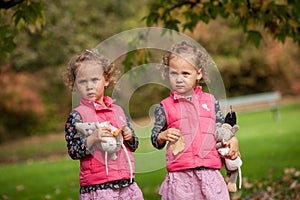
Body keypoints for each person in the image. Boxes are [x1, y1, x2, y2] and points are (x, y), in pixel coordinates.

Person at [151, 41, 240, 200]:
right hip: (180, 177)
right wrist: (162, 135)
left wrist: (233, 140)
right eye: (174, 73)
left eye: (185, 73)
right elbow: (155, 138)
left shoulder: (210, 101)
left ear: (198, 74)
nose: (179, 79)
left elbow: (221, 130)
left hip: (210, 174)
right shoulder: (164, 107)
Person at [64, 49, 143, 200]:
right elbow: (73, 151)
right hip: (98, 186)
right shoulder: (77, 116)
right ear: (75, 85)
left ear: (106, 80)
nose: (89, 86)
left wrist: (129, 136)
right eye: (82, 81)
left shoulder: (118, 111)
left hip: (127, 183)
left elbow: (134, 145)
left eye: (95, 80)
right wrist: (92, 138)